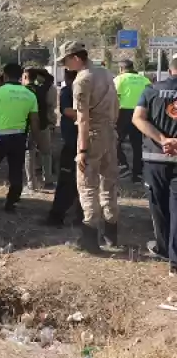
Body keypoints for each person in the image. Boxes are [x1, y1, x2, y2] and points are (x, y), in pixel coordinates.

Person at [58, 41, 120, 253]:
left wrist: (82, 150)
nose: (65, 66)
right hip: (110, 133)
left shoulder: (82, 80)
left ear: (76, 58)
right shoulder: (106, 73)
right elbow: (116, 105)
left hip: (92, 134)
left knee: (87, 185)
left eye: (66, 60)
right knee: (108, 185)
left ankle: (90, 241)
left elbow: (83, 119)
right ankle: (111, 235)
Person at [132, 57, 177, 277]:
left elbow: (138, 119)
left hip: (155, 157)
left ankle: (163, 248)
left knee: (159, 206)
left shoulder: (151, 90)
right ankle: (175, 261)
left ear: (170, 69)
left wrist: (162, 139)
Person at [0, 63, 40, 213]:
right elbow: (35, 120)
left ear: (5, 75)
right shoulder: (30, 95)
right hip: (19, 137)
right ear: (20, 75)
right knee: (16, 171)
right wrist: (34, 139)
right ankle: (12, 203)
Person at [44, 69, 84, 227]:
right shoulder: (71, 91)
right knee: (74, 182)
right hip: (76, 142)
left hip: (77, 144)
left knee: (69, 182)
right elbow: (67, 111)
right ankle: (72, 216)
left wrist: (87, 115)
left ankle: (58, 216)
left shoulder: (70, 90)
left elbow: (68, 111)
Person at [114, 59, 150, 182]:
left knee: (115, 140)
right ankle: (138, 173)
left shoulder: (119, 79)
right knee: (138, 145)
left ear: (121, 69)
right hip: (141, 113)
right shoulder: (145, 80)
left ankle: (123, 166)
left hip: (123, 113)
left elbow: (114, 97)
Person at [23, 68, 54, 191]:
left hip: (29, 126)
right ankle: (48, 180)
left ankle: (32, 184)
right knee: (46, 153)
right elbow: (50, 79)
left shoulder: (23, 91)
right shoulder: (43, 89)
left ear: (25, 77)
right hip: (43, 125)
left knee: (29, 153)